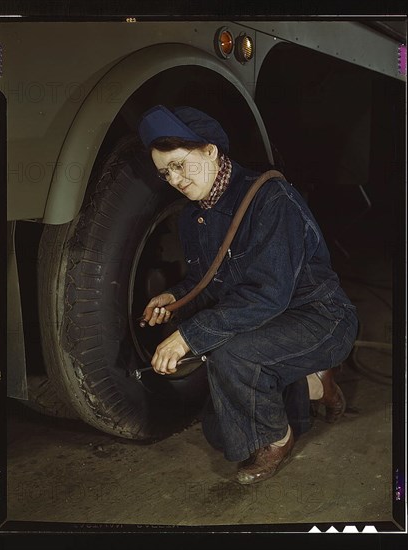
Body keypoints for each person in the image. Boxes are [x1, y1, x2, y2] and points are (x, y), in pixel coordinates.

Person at [138, 105, 358, 485]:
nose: (174, 179)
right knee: (221, 432)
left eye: (180, 164)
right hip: (268, 322)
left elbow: (268, 295)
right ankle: (316, 384)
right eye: (165, 172)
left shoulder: (270, 199)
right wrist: (173, 299)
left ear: (210, 151)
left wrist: (189, 336)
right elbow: (208, 280)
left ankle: (278, 440)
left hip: (319, 316)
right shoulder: (193, 217)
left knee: (231, 356)